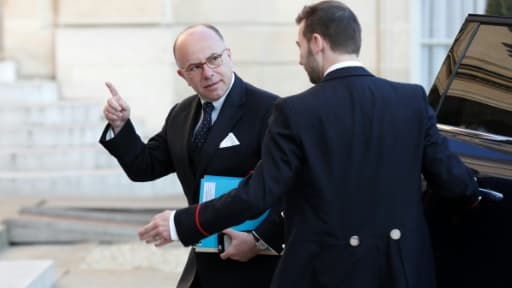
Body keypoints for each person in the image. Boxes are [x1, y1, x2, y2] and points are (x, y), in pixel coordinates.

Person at [139, 1, 481, 287]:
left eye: (300, 47)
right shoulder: (410, 100)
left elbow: (258, 192)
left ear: (317, 43)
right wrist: (471, 197)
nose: (300, 59)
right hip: (401, 272)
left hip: (323, 273)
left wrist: (181, 223)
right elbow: (455, 183)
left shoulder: (295, 111)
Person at [100, 24, 283, 288]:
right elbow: (144, 166)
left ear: (229, 55)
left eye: (214, 59)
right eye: (195, 67)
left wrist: (259, 240)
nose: (208, 73)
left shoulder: (272, 110)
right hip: (203, 266)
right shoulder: (181, 114)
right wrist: (121, 126)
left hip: (256, 268)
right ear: (182, 75)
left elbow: (290, 188)